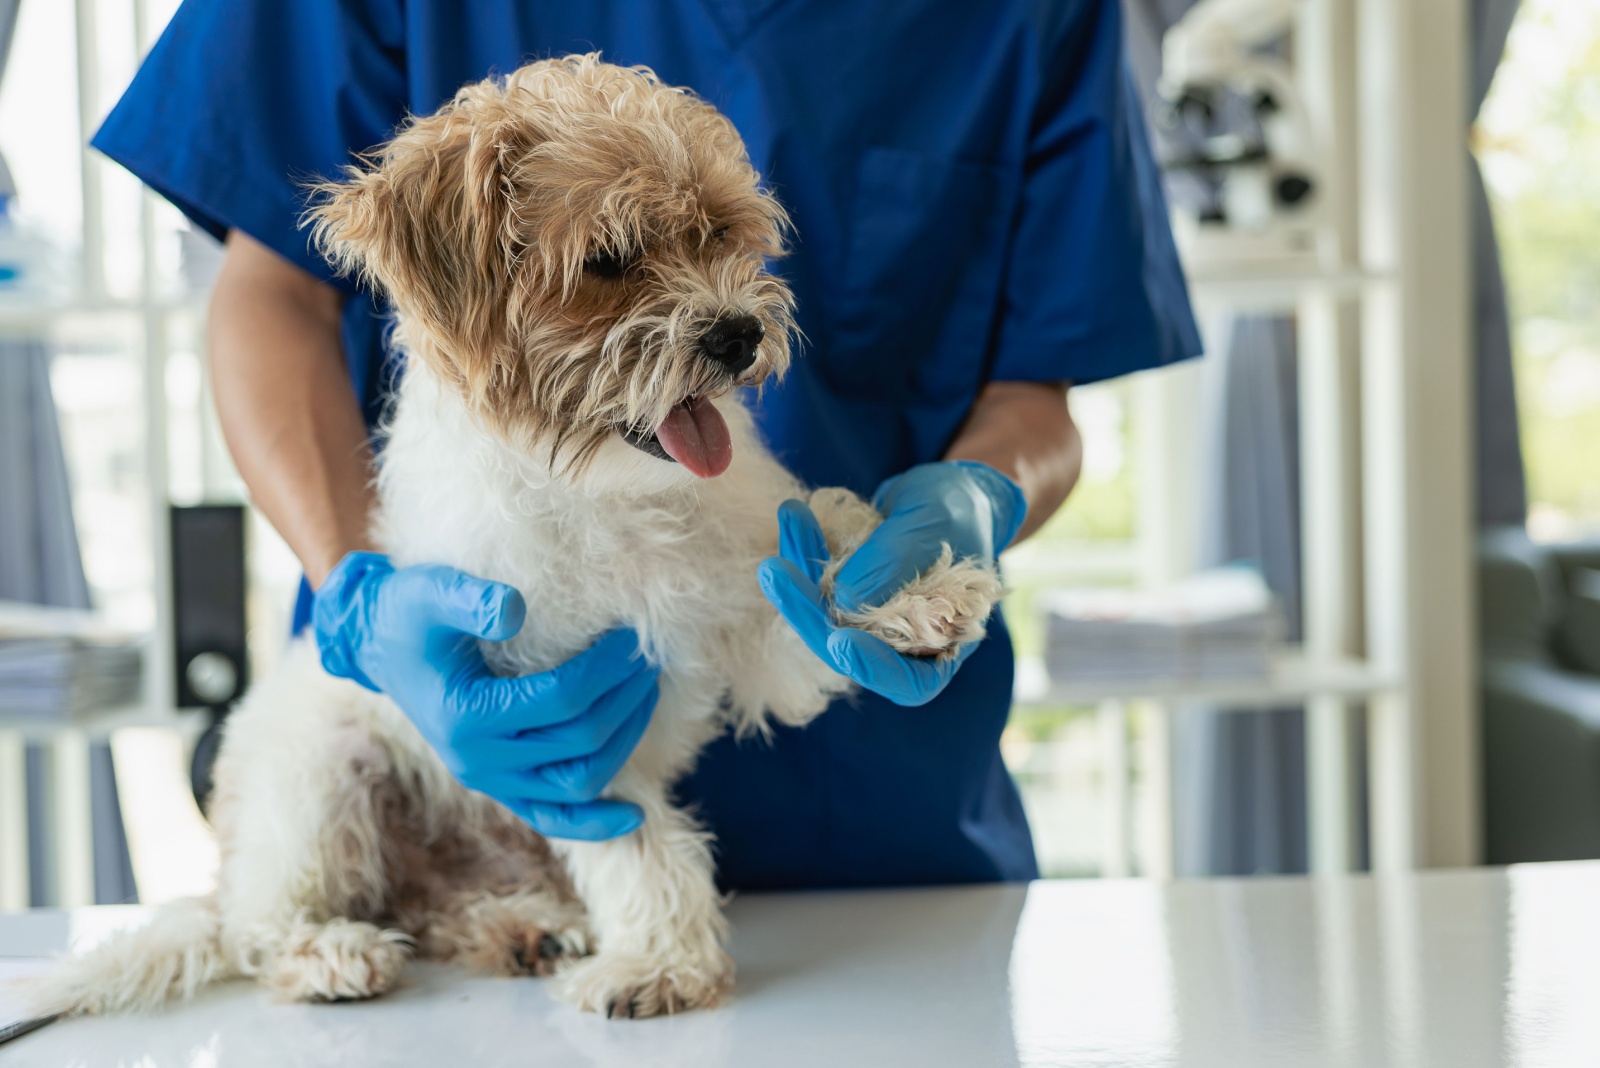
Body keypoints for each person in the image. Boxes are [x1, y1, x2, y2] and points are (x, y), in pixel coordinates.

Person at [94, 0, 1199, 891]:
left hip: (876, 815)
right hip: (475, 791)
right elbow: (270, 294)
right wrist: (356, 592)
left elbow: (1038, 399)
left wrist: (976, 499)